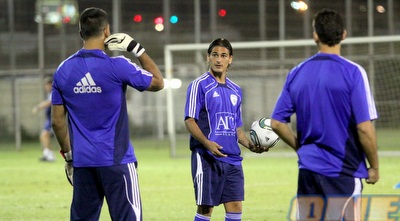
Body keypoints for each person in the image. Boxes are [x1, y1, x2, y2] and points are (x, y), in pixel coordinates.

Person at [51, 7, 164, 220]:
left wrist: (69, 157)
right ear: (107, 31)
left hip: (83, 164)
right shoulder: (118, 65)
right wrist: (136, 48)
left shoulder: (63, 70)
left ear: (80, 32)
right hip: (117, 161)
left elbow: (57, 122)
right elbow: (158, 82)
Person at [270, 9, 379, 220]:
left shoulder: (297, 72)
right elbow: (364, 128)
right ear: (344, 34)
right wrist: (374, 167)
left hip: (308, 171)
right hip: (343, 172)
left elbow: (276, 123)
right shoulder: (354, 72)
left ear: (315, 36)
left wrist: (300, 148)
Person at [184, 38, 263, 221]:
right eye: (215, 55)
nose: (219, 60)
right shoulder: (199, 85)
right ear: (208, 58)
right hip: (206, 157)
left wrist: (251, 146)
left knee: (235, 206)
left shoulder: (236, 90)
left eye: (223, 56)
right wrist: (207, 144)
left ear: (230, 59)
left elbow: (236, 128)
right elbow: (189, 120)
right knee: (205, 209)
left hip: (233, 159)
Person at [32, 76, 55, 162]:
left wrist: (38, 107)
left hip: (53, 119)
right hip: (49, 119)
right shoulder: (49, 94)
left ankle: (49, 155)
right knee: (44, 136)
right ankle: (48, 154)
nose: (46, 87)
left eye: (47, 85)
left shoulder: (54, 93)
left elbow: (49, 102)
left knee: (44, 135)